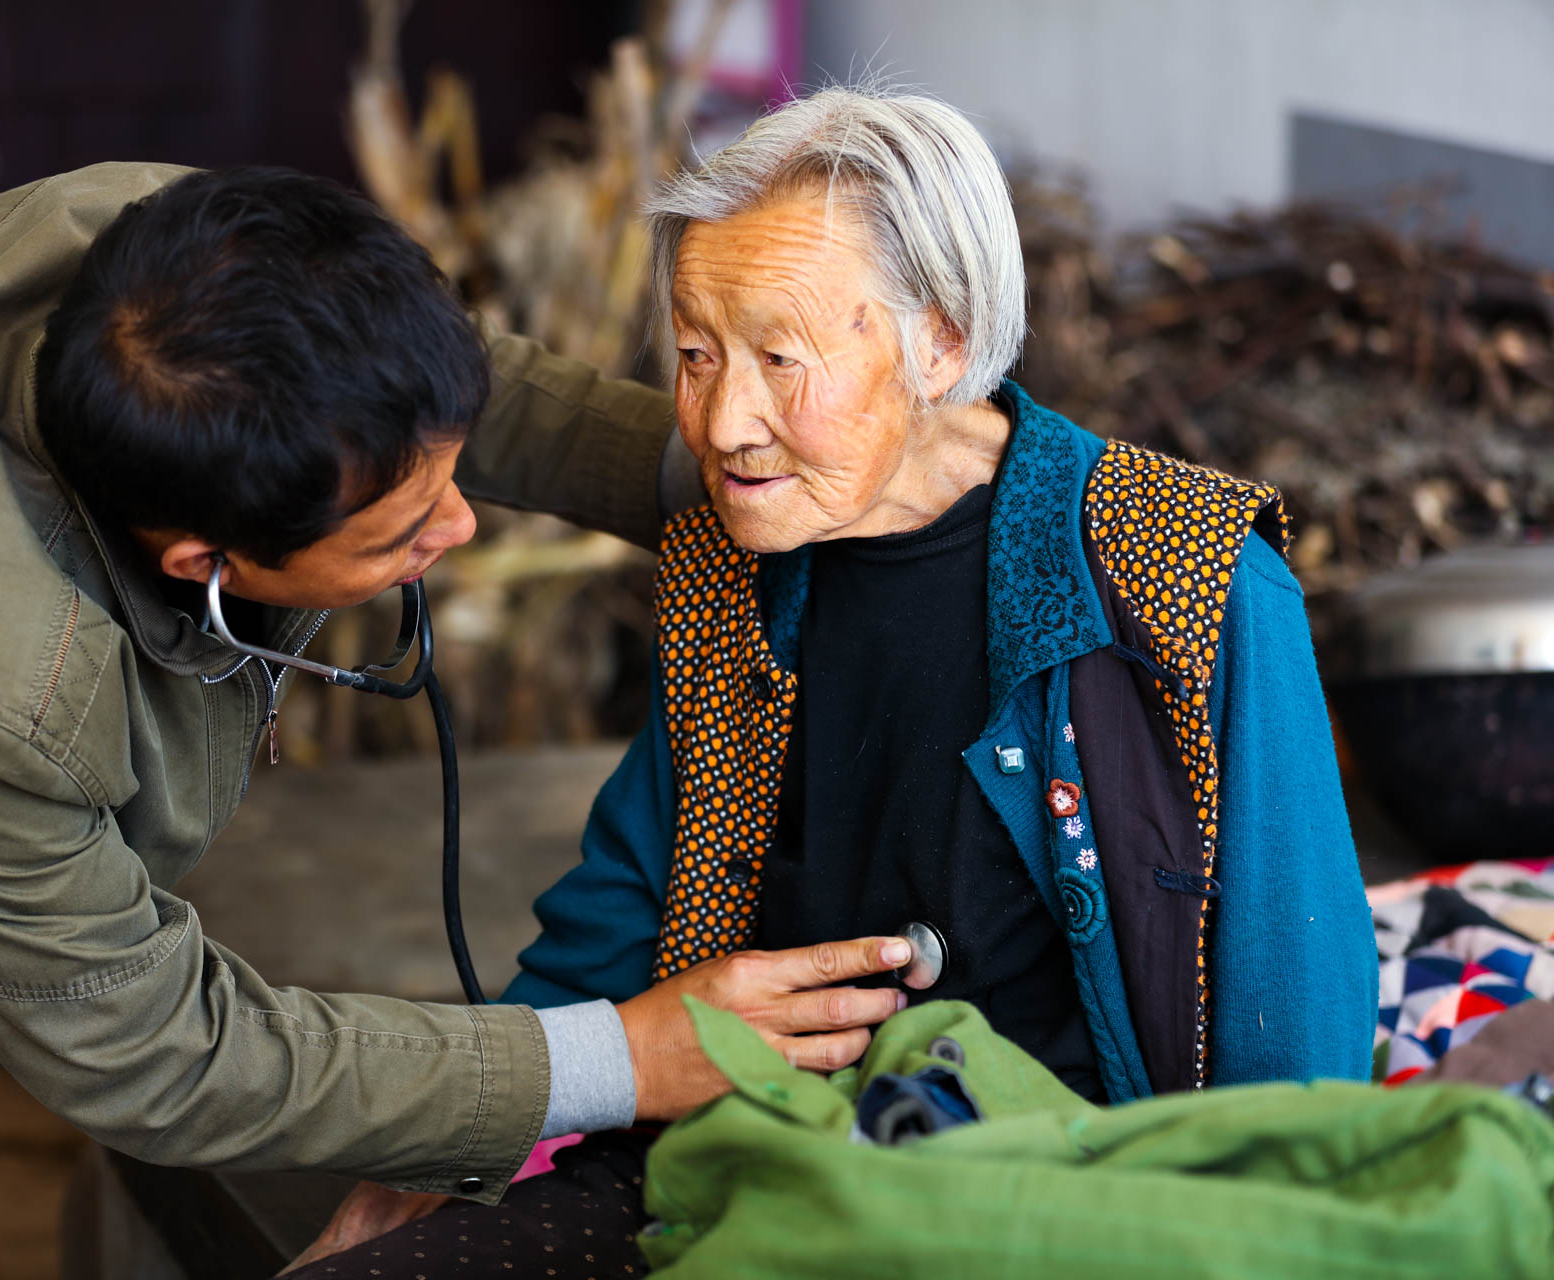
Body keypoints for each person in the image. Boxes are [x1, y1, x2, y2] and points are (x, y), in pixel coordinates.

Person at [0, 163, 917, 1279]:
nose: (460, 525)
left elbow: (455, 395)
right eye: (402, 534)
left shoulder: (173, 257)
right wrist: (616, 1058)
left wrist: (751, 467)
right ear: (205, 561)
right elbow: (146, 1046)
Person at [283, 86, 1379, 1278]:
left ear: (942, 343)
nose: (724, 421)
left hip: (1052, 1195)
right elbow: (626, 897)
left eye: (779, 357)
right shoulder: (729, 556)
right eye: (697, 354)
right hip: (742, 1152)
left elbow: (1296, 1033)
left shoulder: (1184, 576)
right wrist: (443, 1146)